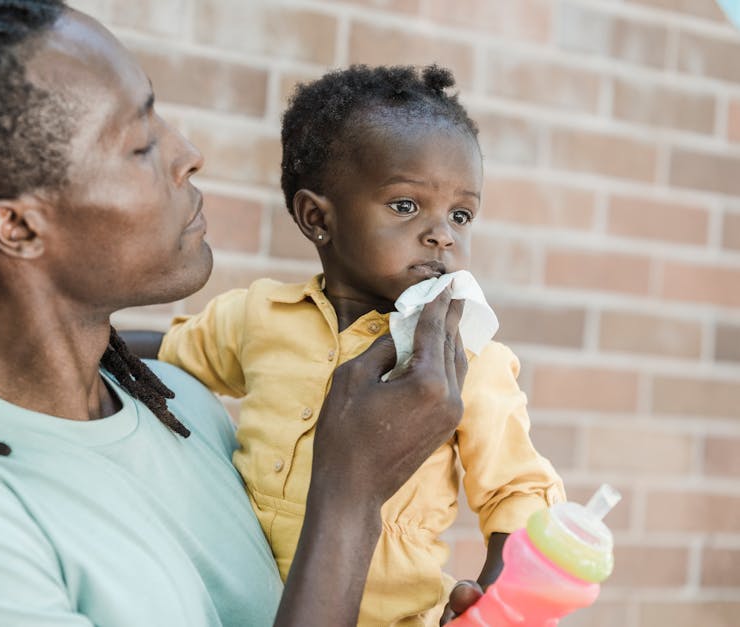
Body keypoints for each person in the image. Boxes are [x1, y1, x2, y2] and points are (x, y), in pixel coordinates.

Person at [0, 1, 476, 625]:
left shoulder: (181, 407)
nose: (187, 155)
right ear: (18, 227)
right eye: (140, 143)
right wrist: (349, 501)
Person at [128, 65, 565, 626]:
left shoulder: (462, 359)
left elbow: (517, 491)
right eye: (406, 205)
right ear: (317, 218)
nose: (442, 234)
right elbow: (167, 352)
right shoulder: (259, 316)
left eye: (461, 214)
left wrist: (494, 599)